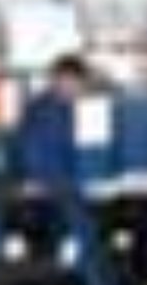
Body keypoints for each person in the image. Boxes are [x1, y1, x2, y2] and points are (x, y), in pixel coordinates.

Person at [19, 53, 92, 189]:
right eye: (66, 81)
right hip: (49, 181)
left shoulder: (84, 108)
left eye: (76, 82)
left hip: (79, 179)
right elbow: (33, 151)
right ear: (54, 80)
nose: (70, 87)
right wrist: (36, 178)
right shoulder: (40, 109)